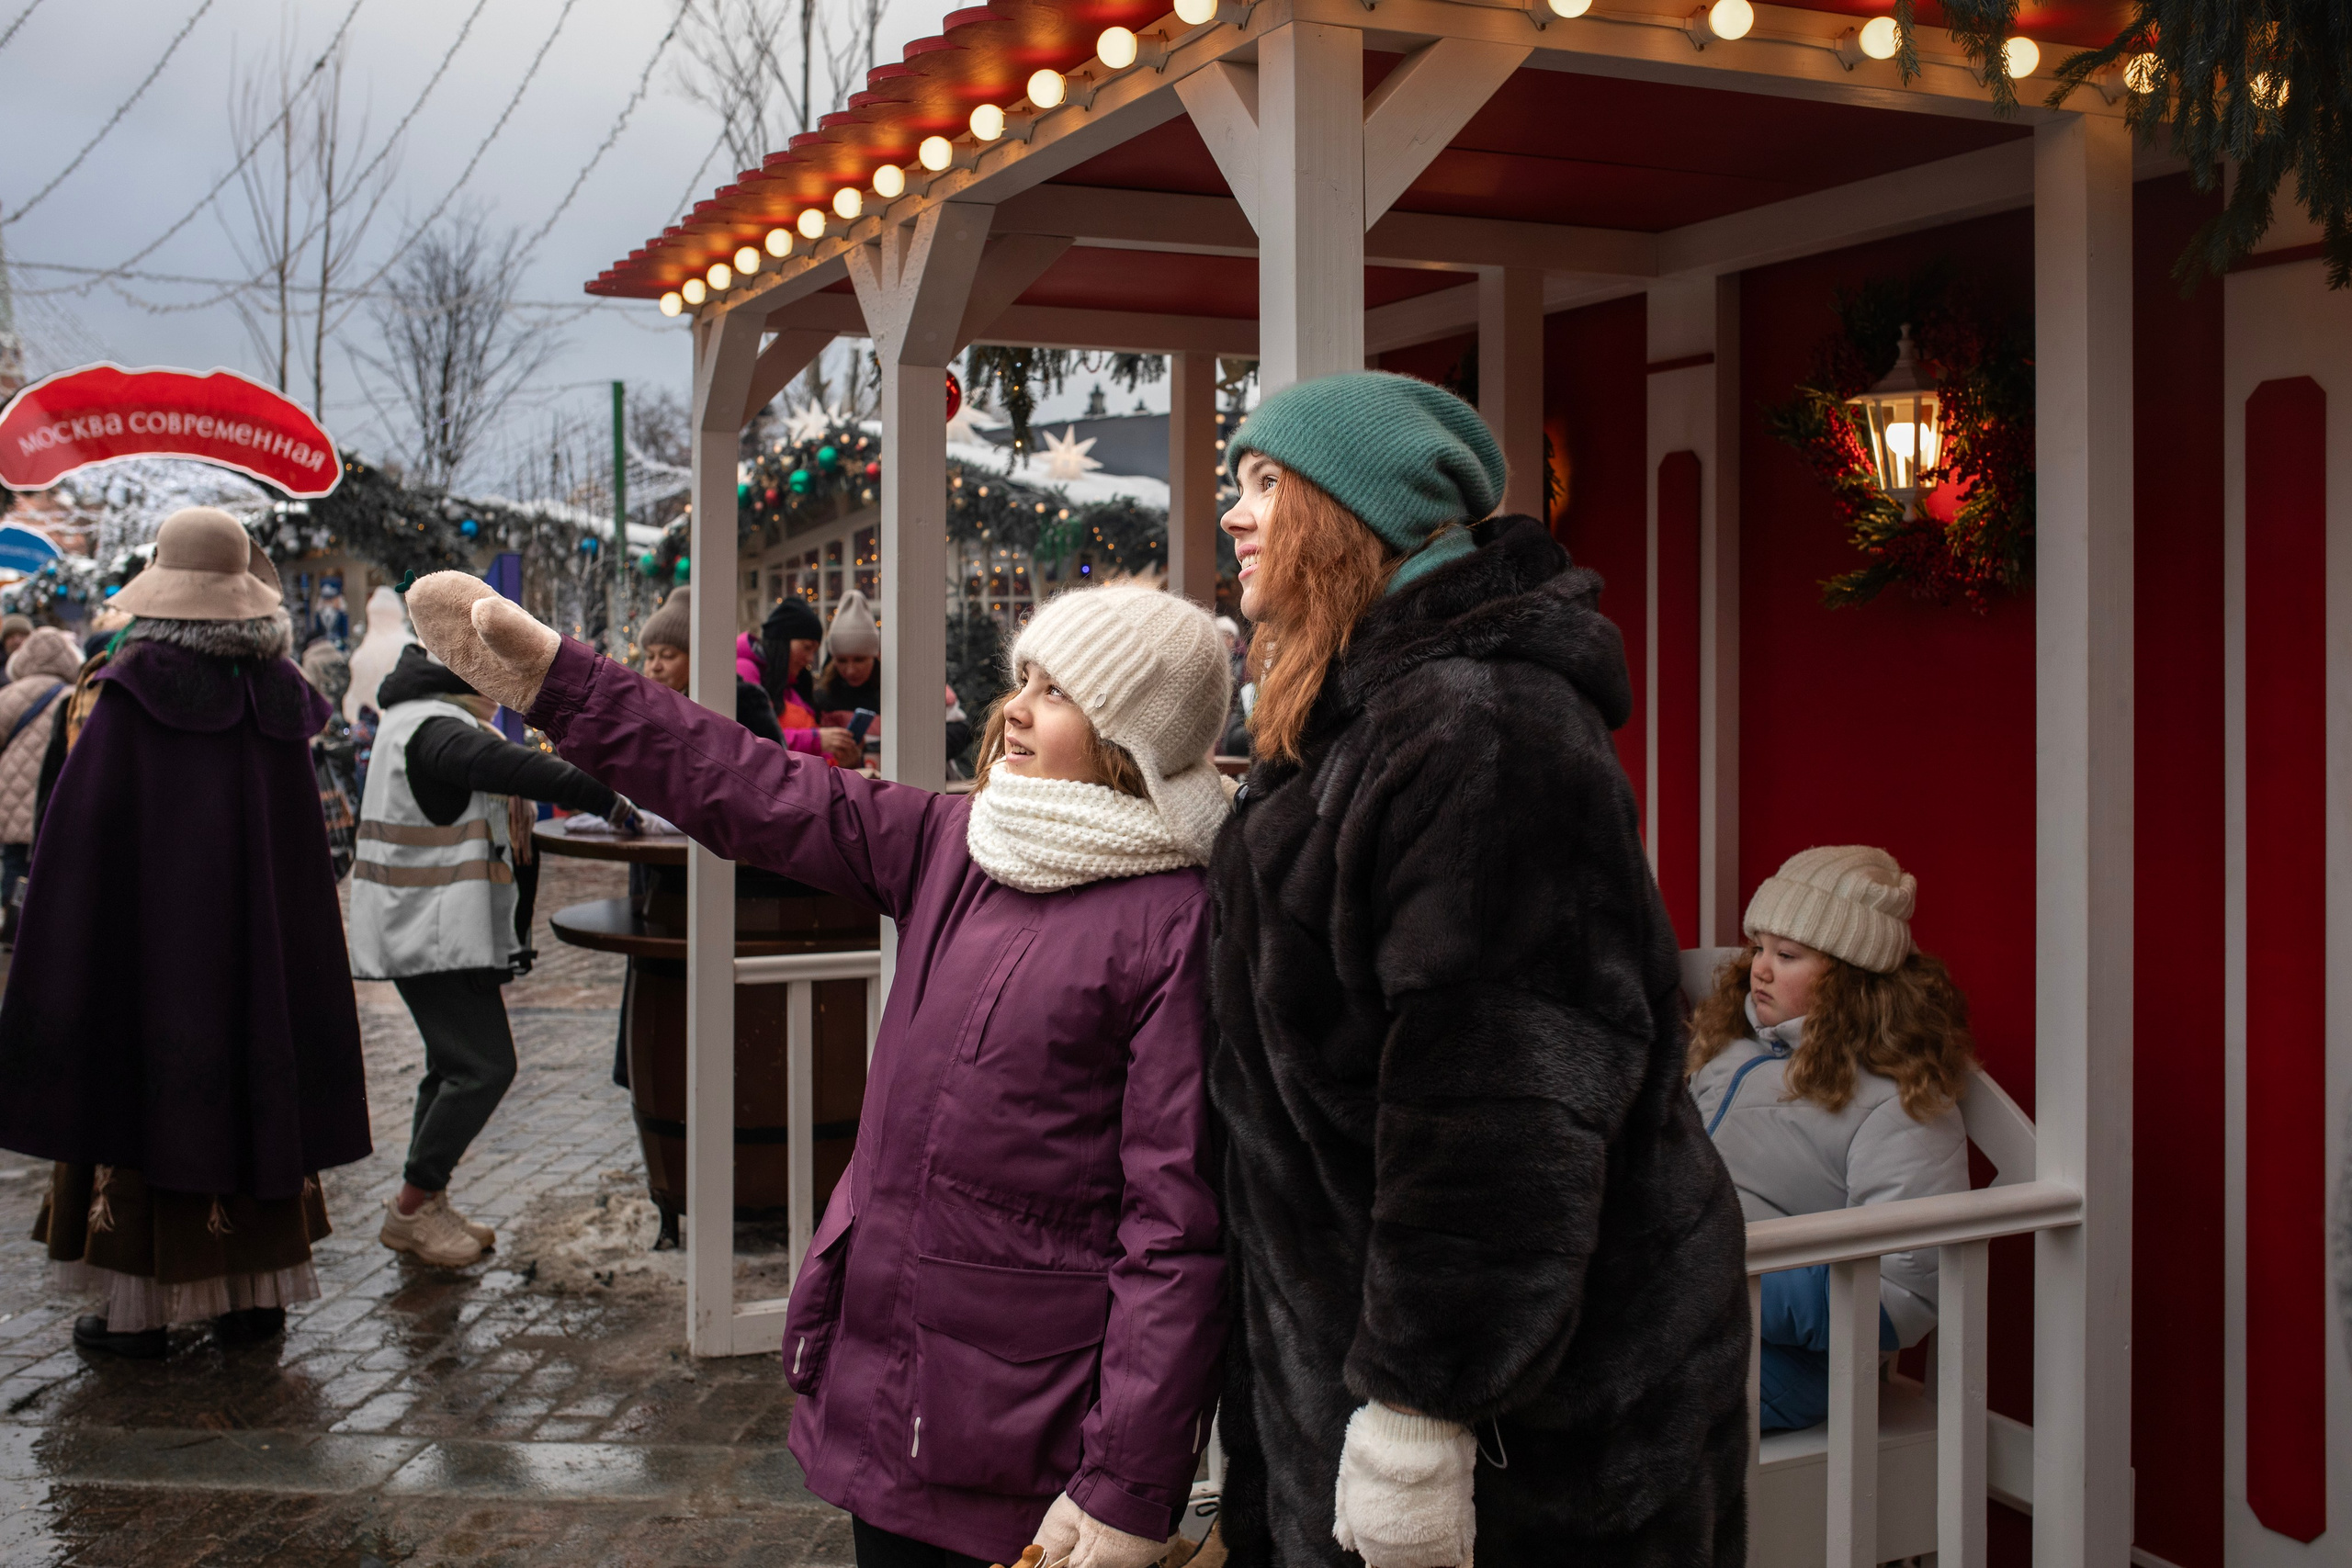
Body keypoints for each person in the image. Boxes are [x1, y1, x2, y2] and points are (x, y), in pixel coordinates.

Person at [401, 570, 1232, 1568]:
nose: (1014, 709)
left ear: (1130, 731)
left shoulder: (1176, 923)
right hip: (894, 1382)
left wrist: (1125, 1488)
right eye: (1023, 680)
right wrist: (564, 685)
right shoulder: (959, 842)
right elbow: (753, 786)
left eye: (1056, 693)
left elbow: (1174, 1230)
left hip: (1031, 1433)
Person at [1208, 371, 1750, 1568]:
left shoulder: (1483, 727)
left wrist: (1420, 1408)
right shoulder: (1356, 714)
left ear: (1356, 510)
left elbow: (1498, 1108)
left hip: (1530, 1437)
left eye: (1267, 484)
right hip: (1351, 1371)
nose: (1233, 514)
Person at [0, 507, 372, 1357]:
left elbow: (80, 843)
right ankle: (254, 1300)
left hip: (154, 955)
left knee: (148, 1094)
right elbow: (301, 856)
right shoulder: (279, 696)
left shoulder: (128, 692)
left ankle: (139, 1313)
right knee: (252, 1083)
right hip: (258, 959)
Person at [352, 639, 635, 1269]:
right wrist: (607, 795)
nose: (508, 693)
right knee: (484, 1068)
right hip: (430, 934)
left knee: (451, 1067)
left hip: (426, 930)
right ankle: (411, 1209)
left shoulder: (419, 718)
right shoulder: (437, 728)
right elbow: (512, 768)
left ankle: (426, 1201)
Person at [1687, 846, 1973, 1433]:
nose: (1760, 969)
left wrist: (1719, 1278)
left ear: (1851, 980)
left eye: (1787, 955)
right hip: (1689, 1307)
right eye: (1758, 947)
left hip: (1795, 1359)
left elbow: (1904, 1290)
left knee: (1590, 1384)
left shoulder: (1901, 1101)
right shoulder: (1734, 1048)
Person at [0, 627, 81, 926]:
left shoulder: (9, 695)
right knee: (55, 868)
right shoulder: (75, 697)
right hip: (56, 797)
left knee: (15, 864)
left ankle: (14, 928)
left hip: (11, 800)